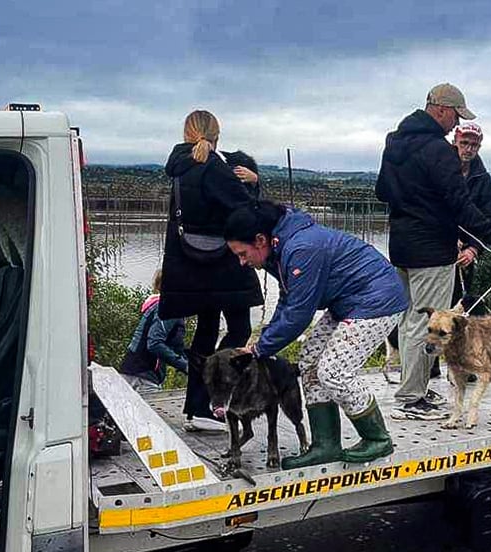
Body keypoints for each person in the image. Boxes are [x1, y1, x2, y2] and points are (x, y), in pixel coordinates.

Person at [225, 202, 408, 468]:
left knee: (334, 372)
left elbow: (299, 314)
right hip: (348, 300)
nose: (242, 262)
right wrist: (263, 339)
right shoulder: (278, 250)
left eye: (242, 253)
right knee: (310, 359)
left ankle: (377, 438)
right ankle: (326, 444)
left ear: (260, 240)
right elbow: (288, 300)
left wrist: (259, 349)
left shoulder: (302, 248)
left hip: (378, 300)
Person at [375, 83, 491, 421]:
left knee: (411, 318)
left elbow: (383, 191)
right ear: (439, 108)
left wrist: (414, 203)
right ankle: (411, 398)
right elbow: (460, 205)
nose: (456, 124)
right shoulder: (438, 150)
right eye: (455, 115)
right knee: (424, 324)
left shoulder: (394, 142)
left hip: (402, 246)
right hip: (432, 250)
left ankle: (415, 392)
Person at [159, 110, 264, 432]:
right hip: (222, 262)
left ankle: (198, 407)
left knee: (205, 331)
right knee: (237, 330)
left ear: (186, 131)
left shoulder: (181, 164)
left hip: (192, 262)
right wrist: (253, 184)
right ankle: (211, 393)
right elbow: (243, 212)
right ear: (217, 132)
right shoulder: (214, 166)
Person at [118, 270, 188, 392]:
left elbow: (176, 347)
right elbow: (154, 343)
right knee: (153, 411)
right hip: (143, 377)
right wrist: (185, 366)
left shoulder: (160, 304)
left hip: (133, 372)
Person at [452, 122, 491, 310]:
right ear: (455, 141)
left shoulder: (483, 178)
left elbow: (486, 218)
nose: (469, 149)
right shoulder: (440, 168)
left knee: (459, 305)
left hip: (465, 254)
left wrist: (473, 249)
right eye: (464, 143)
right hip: (436, 247)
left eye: (474, 145)